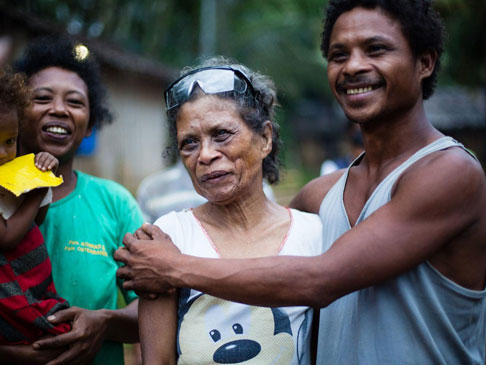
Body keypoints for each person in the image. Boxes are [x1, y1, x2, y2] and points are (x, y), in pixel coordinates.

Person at [115, 1, 486, 363]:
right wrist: (108, 322)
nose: (353, 66)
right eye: (339, 55)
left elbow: (318, 280)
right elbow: (249, 283)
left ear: (425, 62)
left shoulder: (451, 173)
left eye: (375, 49)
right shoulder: (321, 197)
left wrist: (172, 268)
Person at [135, 57, 322, 364]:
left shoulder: (313, 233)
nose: (205, 155)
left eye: (221, 134)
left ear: (265, 139)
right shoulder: (169, 236)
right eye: (189, 143)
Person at [0, 36, 144, 364]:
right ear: (15, 112)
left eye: (76, 102)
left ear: (90, 123)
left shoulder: (116, 203)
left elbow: (152, 307)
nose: (59, 109)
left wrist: (105, 323)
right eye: (42, 98)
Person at [0, 68, 70, 345]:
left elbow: (37, 220)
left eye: (9, 141)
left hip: (36, 288)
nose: (4, 153)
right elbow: (6, 237)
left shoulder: (12, 170)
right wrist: (35, 190)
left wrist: (38, 175)